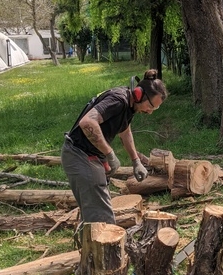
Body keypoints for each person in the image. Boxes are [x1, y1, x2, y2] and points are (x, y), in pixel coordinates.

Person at [61, 69, 167, 224]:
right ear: (139, 94)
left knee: (96, 211)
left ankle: (92, 244)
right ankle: (102, 246)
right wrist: (110, 153)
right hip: (79, 154)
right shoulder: (118, 100)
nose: (150, 112)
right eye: (150, 106)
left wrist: (135, 160)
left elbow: (125, 130)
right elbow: (87, 122)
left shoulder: (129, 106)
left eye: (155, 109)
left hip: (89, 154)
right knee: (100, 218)